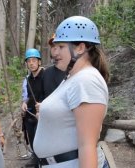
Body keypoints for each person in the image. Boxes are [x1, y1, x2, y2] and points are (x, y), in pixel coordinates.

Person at [33, 16, 110, 168]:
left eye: (61, 47)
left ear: (80, 48)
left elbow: (87, 146)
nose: (54, 53)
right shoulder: (72, 77)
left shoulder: (86, 80)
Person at [21, 48, 45, 167]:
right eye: (29, 61)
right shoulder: (27, 79)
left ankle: (41, 160)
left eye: (34, 60)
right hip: (30, 114)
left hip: (43, 114)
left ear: (39, 62)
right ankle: (35, 159)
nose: (31, 63)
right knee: (31, 137)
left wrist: (44, 107)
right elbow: (27, 96)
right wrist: (24, 103)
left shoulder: (46, 75)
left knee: (40, 139)